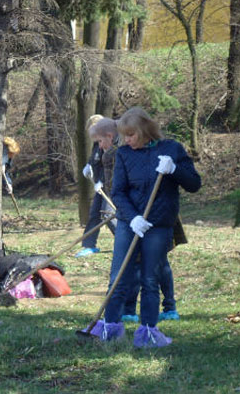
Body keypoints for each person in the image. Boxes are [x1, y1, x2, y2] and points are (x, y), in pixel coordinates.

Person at [84, 107, 201, 348]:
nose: (126, 140)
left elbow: (194, 184)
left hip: (159, 225)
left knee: (150, 279)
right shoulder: (125, 154)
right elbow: (118, 192)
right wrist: (133, 218)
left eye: (130, 135)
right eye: (123, 136)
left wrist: (175, 170)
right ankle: (111, 327)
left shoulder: (172, 150)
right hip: (130, 223)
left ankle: (148, 332)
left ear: (144, 131)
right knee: (118, 275)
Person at [75, 115, 109, 258]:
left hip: (110, 185)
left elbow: (110, 165)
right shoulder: (97, 144)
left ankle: (127, 243)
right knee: (94, 214)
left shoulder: (110, 142)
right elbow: (94, 159)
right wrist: (89, 165)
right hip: (99, 186)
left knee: (109, 215)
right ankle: (89, 245)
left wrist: (102, 181)